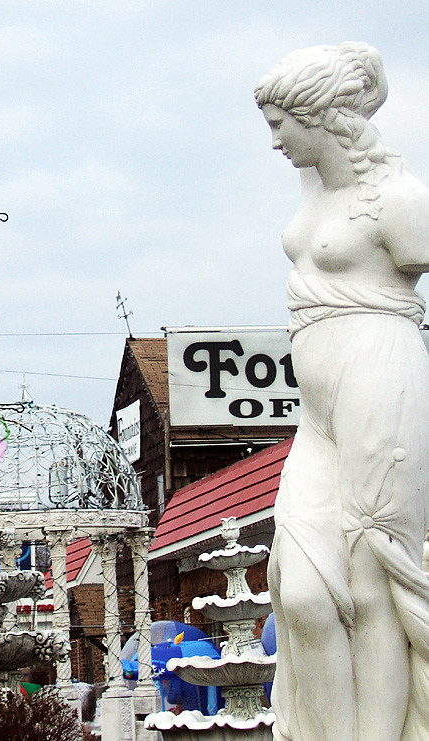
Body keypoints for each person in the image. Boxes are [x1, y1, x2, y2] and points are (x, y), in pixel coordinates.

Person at [255, 42, 429, 740]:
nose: (272, 141)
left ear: (320, 116)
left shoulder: (401, 199)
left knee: (372, 585)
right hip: (316, 412)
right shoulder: (314, 191)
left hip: (380, 385)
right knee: (299, 592)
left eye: (279, 124)